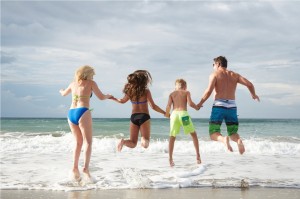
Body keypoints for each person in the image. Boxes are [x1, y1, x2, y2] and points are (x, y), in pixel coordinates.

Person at [197, 56, 260, 154]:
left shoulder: (215, 74)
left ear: (218, 64)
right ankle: (238, 141)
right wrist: (253, 94)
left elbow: (208, 91)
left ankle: (223, 140)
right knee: (233, 133)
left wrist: (200, 103)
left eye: (213, 65)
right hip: (232, 106)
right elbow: (250, 84)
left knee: (213, 133)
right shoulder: (234, 75)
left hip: (219, 106)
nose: (213, 66)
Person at [59, 65, 113, 181]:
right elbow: (101, 97)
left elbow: (63, 94)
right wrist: (109, 96)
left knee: (78, 142)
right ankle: (85, 168)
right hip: (83, 111)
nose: (93, 76)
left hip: (71, 113)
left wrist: (61, 90)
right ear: (88, 74)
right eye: (92, 74)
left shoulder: (73, 84)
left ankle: (74, 168)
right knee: (88, 142)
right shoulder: (91, 83)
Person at [111, 70, 166, 151]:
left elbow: (122, 101)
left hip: (134, 117)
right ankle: (143, 141)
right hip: (144, 116)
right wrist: (164, 112)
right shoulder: (146, 91)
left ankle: (123, 142)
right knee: (145, 144)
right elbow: (153, 106)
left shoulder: (129, 91)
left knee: (133, 143)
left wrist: (113, 98)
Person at [166, 79, 201, 167]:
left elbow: (168, 106)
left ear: (176, 86)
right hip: (183, 115)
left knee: (172, 136)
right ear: (185, 86)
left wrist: (167, 114)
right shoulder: (186, 92)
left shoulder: (171, 94)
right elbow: (190, 103)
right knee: (193, 135)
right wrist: (197, 107)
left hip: (174, 115)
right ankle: (198, 156)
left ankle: (170, 159)